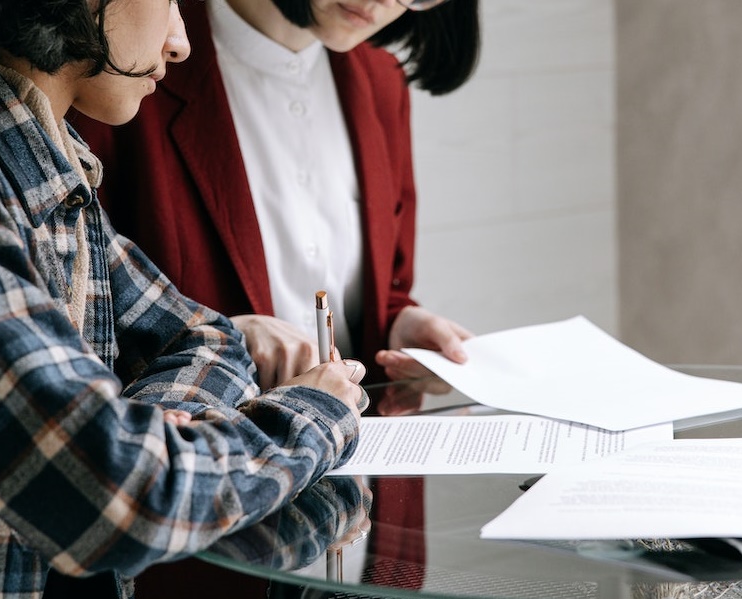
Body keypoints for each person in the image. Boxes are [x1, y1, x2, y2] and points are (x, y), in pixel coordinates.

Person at [0, 0, 371, 597]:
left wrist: (138, 435)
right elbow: (115, 502)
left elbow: (208, 339)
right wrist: (310, 415)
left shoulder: (38, 164)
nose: (180, 42)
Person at [70, 0, 481, 593]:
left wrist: (396, 323)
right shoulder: (134, 68)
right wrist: (229, 335)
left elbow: (374, 281)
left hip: (350, 505)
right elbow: (77, 312)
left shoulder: (379, 82)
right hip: (205, 523)